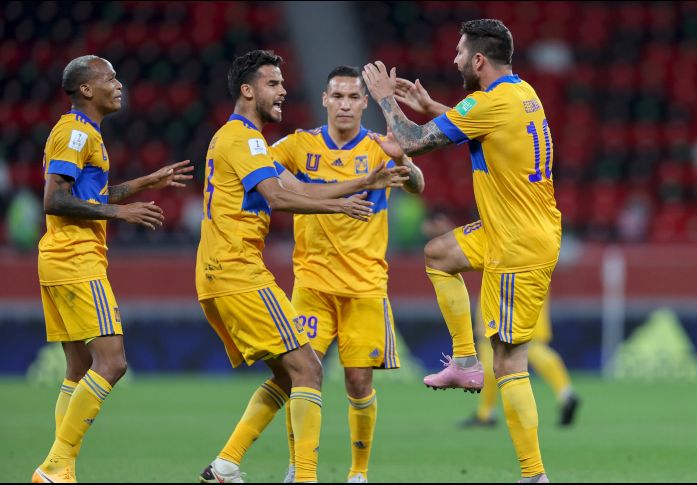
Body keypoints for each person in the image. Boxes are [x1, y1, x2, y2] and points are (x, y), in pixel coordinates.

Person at [195, 51, 409, 484]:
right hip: (246, 271)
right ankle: (303, 475)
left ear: (362, 102)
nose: (282, 91)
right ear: (248, 90)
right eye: (273, 84)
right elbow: (278, 194)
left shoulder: (238, 137)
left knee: (301, 374)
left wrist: (364, 181)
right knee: (307, 369)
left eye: (282, 83)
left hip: (244, 271)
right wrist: (345, 195)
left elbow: (282, 191)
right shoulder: (259, 141)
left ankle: (227, 464)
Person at [363, 19, 561, 484]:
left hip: (519, 244)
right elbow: (483, 124)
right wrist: (433, 107)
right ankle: (464, 362)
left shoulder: (489, 102)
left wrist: (384, 98)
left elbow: (411, 141)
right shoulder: (523, 94)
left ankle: (534, 475)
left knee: (511, 361)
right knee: (438, 254)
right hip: (509, 227)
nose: (452, 60)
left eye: (458, 53)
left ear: (478, 61)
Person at [32, 55, 193, 483]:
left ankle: (60, 469)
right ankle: (54, 466)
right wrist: (120, 214)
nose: (119, 84)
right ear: (86, 89)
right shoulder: (73, 133)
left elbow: (92, 193)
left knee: (78, 368)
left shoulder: (88, 135)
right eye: (111, 77)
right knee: (113, 363)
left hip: (64, 258)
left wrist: (144, 182)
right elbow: (54, 199)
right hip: (75, 259)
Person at [270, 65, 425, 484]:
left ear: (363, 102)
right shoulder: (298, 146)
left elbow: (418, 185)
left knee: (358, 382)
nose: (344, 104)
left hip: (364, 287)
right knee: (300, 374)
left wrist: (406, 167)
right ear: (324, 100)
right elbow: (257, 168)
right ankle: (298, 468)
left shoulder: (380, 146)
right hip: (312, 285)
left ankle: (358, 473)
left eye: (353, 97)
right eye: (336, 96)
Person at [461, 291, 580, 429]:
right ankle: (565, 393)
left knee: (489, 342)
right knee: (534, 344)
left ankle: (486, 412)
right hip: (533, 279)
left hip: (499, 281)